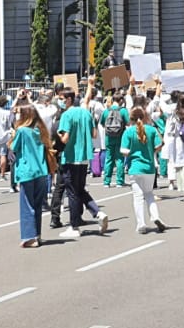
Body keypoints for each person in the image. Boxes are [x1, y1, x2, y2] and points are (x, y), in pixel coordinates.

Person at [56, 81, 109, 238]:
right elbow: (94, 134)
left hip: (71, 156)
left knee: (72, 192)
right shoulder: (86, 113)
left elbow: (64, 139)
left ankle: (74, 226)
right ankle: (97, 212)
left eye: (62, 99)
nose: (61, 101)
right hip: (85, 156)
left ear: (69, 99)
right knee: (79, 189)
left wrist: (56, 136)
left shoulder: (66, 115)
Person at [9, 104, 53, 247]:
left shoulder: (22, 131)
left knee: (27, 204)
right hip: (41, 170)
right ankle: (37, 234)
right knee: (37, 204)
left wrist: (12, 136)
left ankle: (29, 236)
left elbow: (14, 147)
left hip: (27, 170)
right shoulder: (39, 130)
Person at [120, 105, 166, 234]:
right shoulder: (151, 130)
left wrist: (132, 153)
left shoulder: (128, 132)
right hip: (149, 167)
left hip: (135, 167)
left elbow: (123, 150)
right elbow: (160, 144)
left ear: (132, 118)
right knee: (149, 194)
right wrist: (152, 151)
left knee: (138, 197)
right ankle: (155, 216)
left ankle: (141, 223)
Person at [100, 93, 129, 186]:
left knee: (109, 159)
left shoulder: (106, 111)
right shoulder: (123, 111)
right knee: (120, 159)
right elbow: (128, 122)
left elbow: (101, 123)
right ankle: (119, 181)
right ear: (121, 100)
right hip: (120, 137)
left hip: (108, 137)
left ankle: (106, 182)